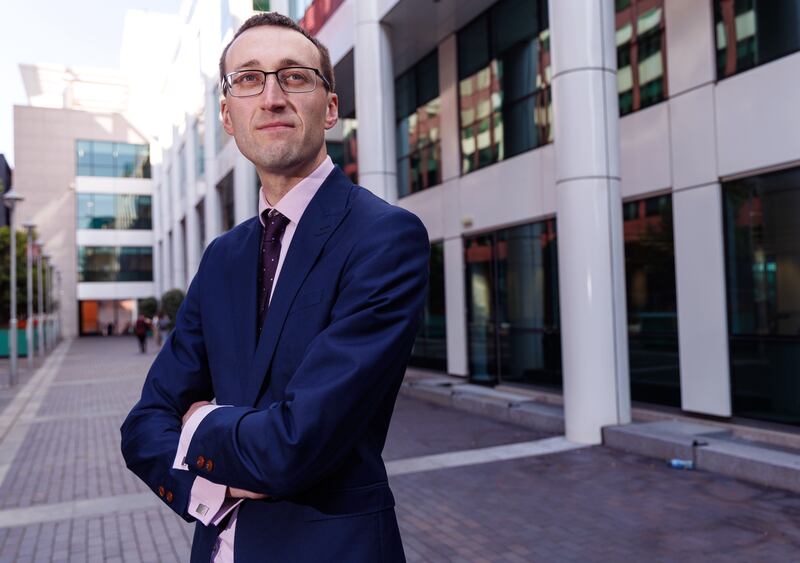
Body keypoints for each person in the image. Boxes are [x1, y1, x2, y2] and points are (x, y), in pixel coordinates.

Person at [120, 12, 429, 563]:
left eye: (294, 76)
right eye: (248, 79)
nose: (271, 97)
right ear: (227, 116)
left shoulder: (385, 238)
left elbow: (294, 444)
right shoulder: (222, 257)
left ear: (330, 107)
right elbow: (143, 425)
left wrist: (198, 422)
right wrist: (212, 485)